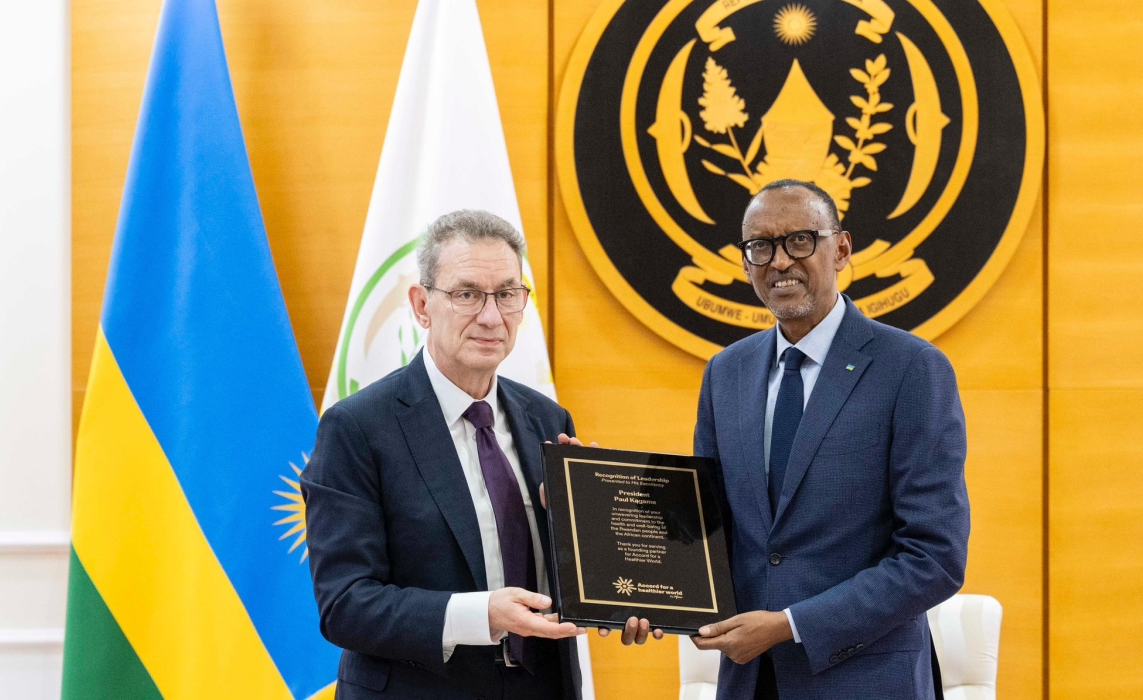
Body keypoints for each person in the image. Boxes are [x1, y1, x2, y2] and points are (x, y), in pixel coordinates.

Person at [302, 210, 627, 700]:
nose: (492, 316)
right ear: (421, 304)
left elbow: (574, 583)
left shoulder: (547, 420)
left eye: (507, 294)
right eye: (467, 294)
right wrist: (482, 615)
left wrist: (610, 567)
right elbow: (345, 604)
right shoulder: (358, 428)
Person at [688, 180, 970, 699]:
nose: (779, 262)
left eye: (800, 240)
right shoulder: (725, 373)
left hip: (868, 682)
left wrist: (791, 624)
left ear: (840, 249)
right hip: (751, 684)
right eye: (761, 246)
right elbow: (704, 532)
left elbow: (935, 558)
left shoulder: (912, 369)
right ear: (745, 261)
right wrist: (588, 509)